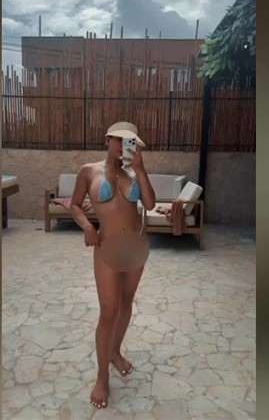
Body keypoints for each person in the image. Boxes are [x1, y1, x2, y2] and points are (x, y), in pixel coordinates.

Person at [70, 121, 156, 409]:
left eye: (130, 141)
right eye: (119, 140)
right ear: (107, 139)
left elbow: (150, 204)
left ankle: (115, 352)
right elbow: (74, 204)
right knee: (109, 311)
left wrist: (141, 169)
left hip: (135, 245)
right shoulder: (88, 171)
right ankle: (102, 376)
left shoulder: (133, 171)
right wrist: (87, 226)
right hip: (106, 246)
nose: (123, 146)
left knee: (127, 301)